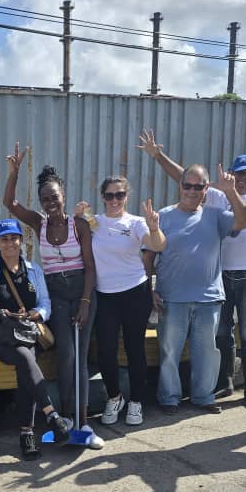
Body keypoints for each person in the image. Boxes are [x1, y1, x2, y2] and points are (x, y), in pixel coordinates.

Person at [138, 105, 246, 409]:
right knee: (219, 337)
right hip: (216, 279)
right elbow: (185, 177)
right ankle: (223, 384)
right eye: (238, 173)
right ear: (230, 174)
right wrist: (158, 156)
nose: (242, 179)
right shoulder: (212, 196)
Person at [2, 143, 102, 448]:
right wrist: (14, 172)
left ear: (63, 196)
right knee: (65, 355)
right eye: (45, 199)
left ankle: (85, 423)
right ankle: (67, 419)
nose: (50, 203)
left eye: (54, 197)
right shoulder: (39, 223)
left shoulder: (79, 225)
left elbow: (90, 267)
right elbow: (10, 203)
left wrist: (85, 302)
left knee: (80, 357)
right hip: (56, 295)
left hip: (82, 293)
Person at [0, 219, 70, 460]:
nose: (9, 243)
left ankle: (28, 433)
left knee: (25, 362)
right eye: (4, 239)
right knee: (24, 357)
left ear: (22, 240)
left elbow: (45, 303)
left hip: (27, 331)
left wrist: (34, 314)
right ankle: (51, 415)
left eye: (13, 238)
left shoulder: (33, 270)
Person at [153, 164, 246, 414]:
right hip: (172, 298)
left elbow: (244, 221)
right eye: (188, 185)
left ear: (206, 188)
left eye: (198, 186)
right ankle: (169, 398)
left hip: (208, 298)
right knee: (169, 352)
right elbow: (147, 255)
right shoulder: (163, 215)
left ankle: (203, 396)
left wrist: (231, 192)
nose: (192, 191)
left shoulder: (216, 215)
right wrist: (149, 289)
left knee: (207, 352)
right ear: (180, 185)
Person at [91, 177, 165, 426]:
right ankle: (114, 397)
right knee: (106, 350)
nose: (114, 200)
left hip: (135, 292)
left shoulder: (136, 222)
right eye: (109, 195)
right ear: (102, 197)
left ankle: (136, 402)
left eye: (120, 195)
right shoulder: (94, 222)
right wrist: (79, 214)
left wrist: (154, 228)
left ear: (126, 197)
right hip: (105, 295)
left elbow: (158, 244)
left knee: (135, 349)